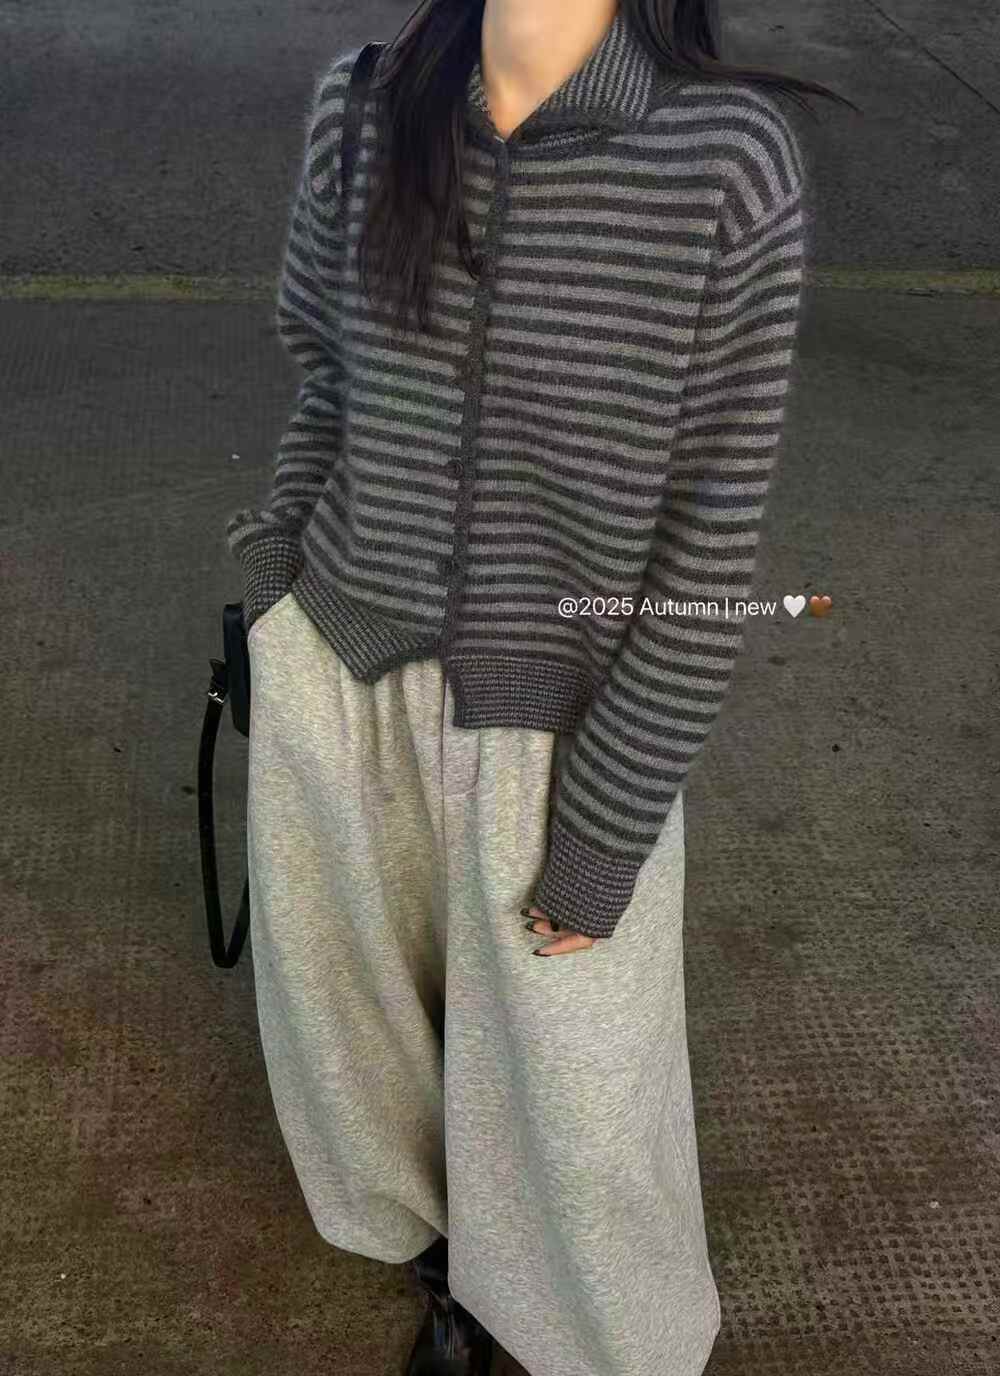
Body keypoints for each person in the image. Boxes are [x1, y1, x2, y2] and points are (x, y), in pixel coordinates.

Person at [226, 2, 853, 1373]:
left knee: (578, 1095)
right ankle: (448, 1267)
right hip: (342, 675)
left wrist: (610, 823)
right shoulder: (364, 109)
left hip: (559, 727)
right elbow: (323, 374)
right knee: (365, 1035)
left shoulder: (723, 157)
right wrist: (277, 583)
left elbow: (707, 536)